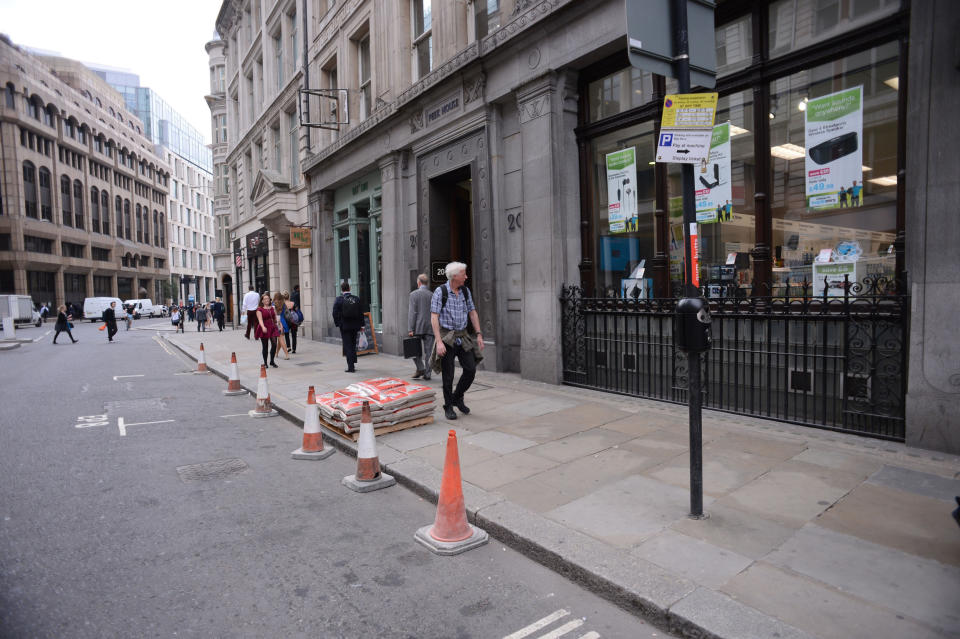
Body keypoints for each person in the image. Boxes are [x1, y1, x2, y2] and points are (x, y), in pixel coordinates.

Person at [431, 262, 484, 421]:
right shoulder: (440, 292)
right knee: (448, 375)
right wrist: (439, 342)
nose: (466, 276)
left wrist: (479, 334)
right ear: (455, 276)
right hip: (447, 336)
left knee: (470, 369)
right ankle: (448, 406)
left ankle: (457, 396)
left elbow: (472, 313)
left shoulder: (465, 291)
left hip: (463, 336)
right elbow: (434, 317)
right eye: (464, 274)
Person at [332, 281, 363, 373]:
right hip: (355, 326)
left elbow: (334, 313)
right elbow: (360, 313)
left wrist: (338, 323)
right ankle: (353, 362)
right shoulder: (356, 299)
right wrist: (362, 325)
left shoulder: (339, 300)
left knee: (348, 345)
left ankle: (351, 367)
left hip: (344, 326)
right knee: (353, 344)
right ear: (349, 288)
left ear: (342, 289)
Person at [408, 273, 434, 380]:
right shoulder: (432, 294)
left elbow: (412, 313)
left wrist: (410, 328)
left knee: (412, 349)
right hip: (430, 326)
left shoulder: (413, 294)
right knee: (429, 352)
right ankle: (427, 374)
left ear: (418, 282)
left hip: (417, 326)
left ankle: (420, 368)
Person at [255, 292, 281, 368]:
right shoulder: (259, 309)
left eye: (268, 298)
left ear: (270, 300)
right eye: (265, 299)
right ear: (262, 301)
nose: (267, 300)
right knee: (265, 346)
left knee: (274, 344)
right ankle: (265, 362)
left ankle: (272, 361)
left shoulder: (272, 308)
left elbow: (276, 318)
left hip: (272, 327)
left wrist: (280, 325)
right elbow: (260, 320)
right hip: (264, 327)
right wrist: (263, 327)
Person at [273, 292, 291, 360]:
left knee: (281, 339)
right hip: (283, 322)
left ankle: (287, 354)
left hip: (277, 322)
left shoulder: (273, 304)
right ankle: (276, 353)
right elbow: (287, 313)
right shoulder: (283, 304)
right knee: (280, 339)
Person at [281, 289, 300, 354]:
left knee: (286, 334)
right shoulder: (293, 303)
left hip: (286, 321)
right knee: (294, 335)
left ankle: (288, 347)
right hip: (293, 321)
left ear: (283, 297)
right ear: (289, 297)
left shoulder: (283, 304)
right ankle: (294, 349)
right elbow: (297, 310)